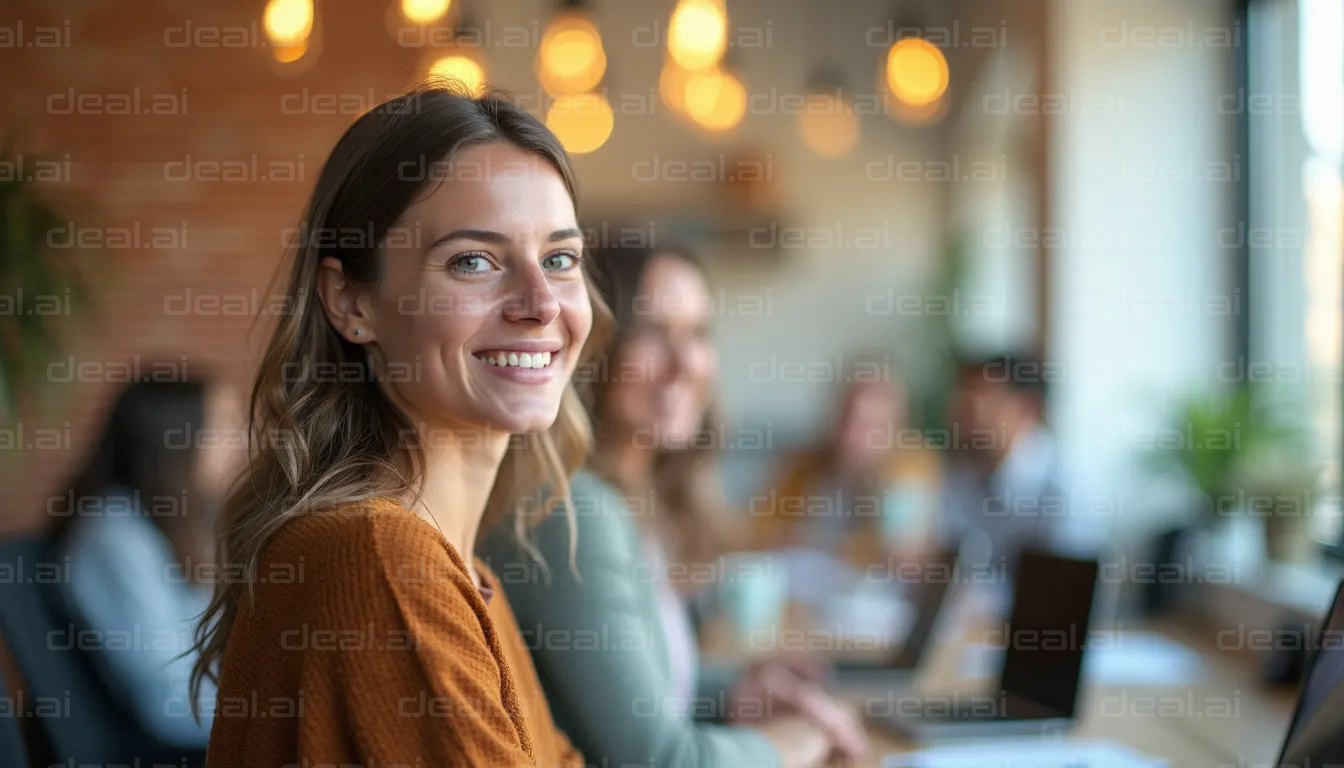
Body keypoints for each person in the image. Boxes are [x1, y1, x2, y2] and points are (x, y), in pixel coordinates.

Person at [189, 83, 611, 767]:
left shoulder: (452, 570)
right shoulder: (380, 560)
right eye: (474, 260)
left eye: (560, 258)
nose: (540, 303)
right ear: (351, 302)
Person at [480, 243, 868, 768]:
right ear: (592, 350)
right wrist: (802, 739)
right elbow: (663, 760)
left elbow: (631, 695)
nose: (685, 364)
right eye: (652, 334)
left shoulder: (625, 499)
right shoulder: (576, 512)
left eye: (698, 335)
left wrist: (734, 692)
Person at [49, 376, 244, 752]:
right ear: (174, 441)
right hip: (175, 744)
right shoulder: (115, 538)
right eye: (226, 426)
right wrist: (282, 715)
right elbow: (168, 701)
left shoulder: (177, 525)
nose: (243, 443)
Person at [750, 365, 941, 567]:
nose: (851, 433)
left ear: (895, 429)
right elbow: (758, 533)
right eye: (846, 416)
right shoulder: (800, 465)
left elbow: (904, 555)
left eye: (869, 425)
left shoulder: (909, 470)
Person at [938, 353, 1091, 575]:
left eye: (978, 403)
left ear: (1027, 409)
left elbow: (1059, 592)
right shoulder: (962, 473)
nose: (961, 417)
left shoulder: (1067, 487)